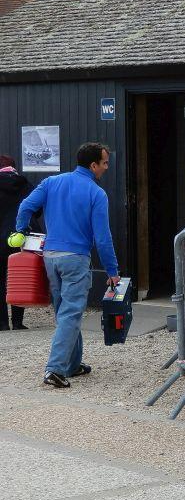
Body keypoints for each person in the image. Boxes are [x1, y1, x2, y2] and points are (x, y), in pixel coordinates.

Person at [15, 142, 120, 389]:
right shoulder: (97, 194)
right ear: (93, 165)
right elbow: (103, 238)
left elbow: (25, 207)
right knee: (71, 314)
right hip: (75, 259)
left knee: (65, 313)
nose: (106, 167)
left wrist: (22, 231)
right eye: (104, 163)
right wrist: (113, 271)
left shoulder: (52, 183)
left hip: (50, 257)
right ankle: (55, 369)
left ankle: (72, 365)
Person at [1, 155, 32, 330]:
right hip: (20, 238)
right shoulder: (25, 185)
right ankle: (18, 322)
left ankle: (2, 323)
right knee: (19, 278)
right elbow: (36, 210)